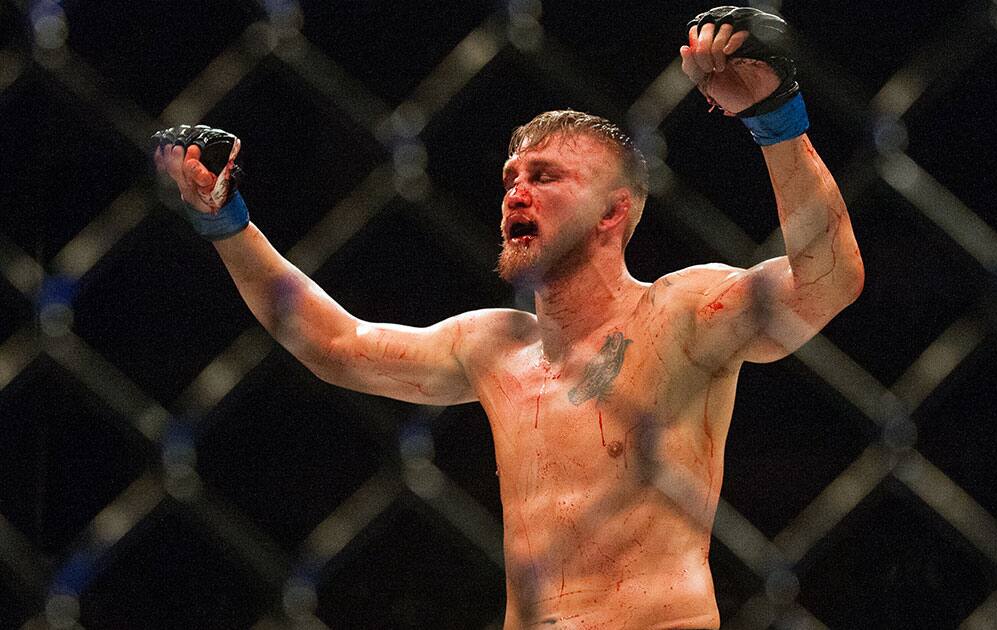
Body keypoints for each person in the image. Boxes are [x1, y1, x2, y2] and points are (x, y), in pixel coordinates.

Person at [154, 7, 863, 629]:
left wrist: (777, 120)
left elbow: (828, 281)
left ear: (613, 212)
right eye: (510, 180)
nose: (516, 194)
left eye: (546, 177)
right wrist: (227, 224)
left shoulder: (680, 312)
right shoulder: (494, 347)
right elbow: (335, 344)